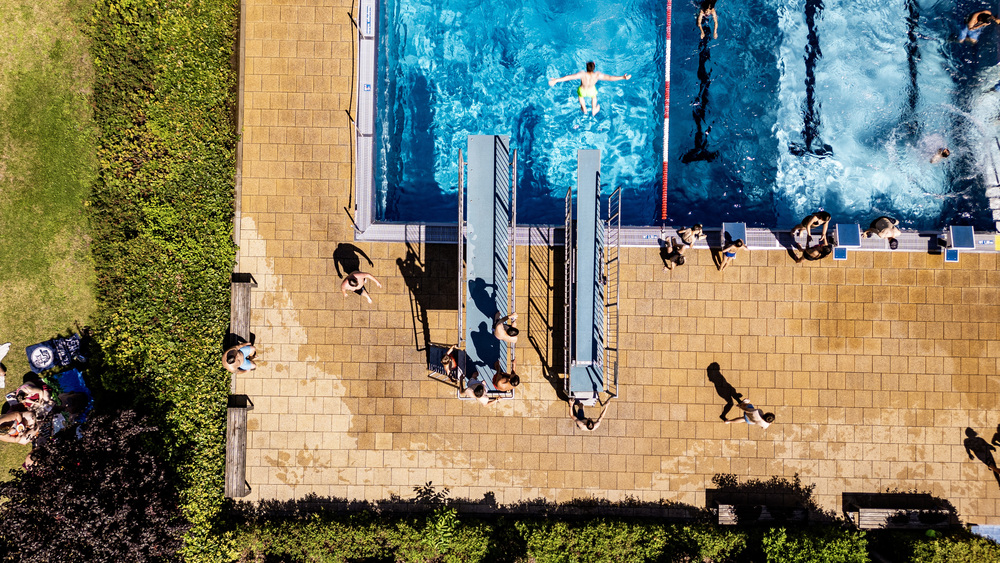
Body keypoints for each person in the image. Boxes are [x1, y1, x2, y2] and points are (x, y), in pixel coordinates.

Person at [548, 62, 631, 116]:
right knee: (594, 97)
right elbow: (610, 78)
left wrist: (556, 80)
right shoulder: (597, 75)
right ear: (594, 68)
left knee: (581, 97)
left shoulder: (582, 74)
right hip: (591, 90)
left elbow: (569, 77)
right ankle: (594, 109)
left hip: (582, 90)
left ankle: (584, 108)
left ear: (586, 67)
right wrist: (622, 77)